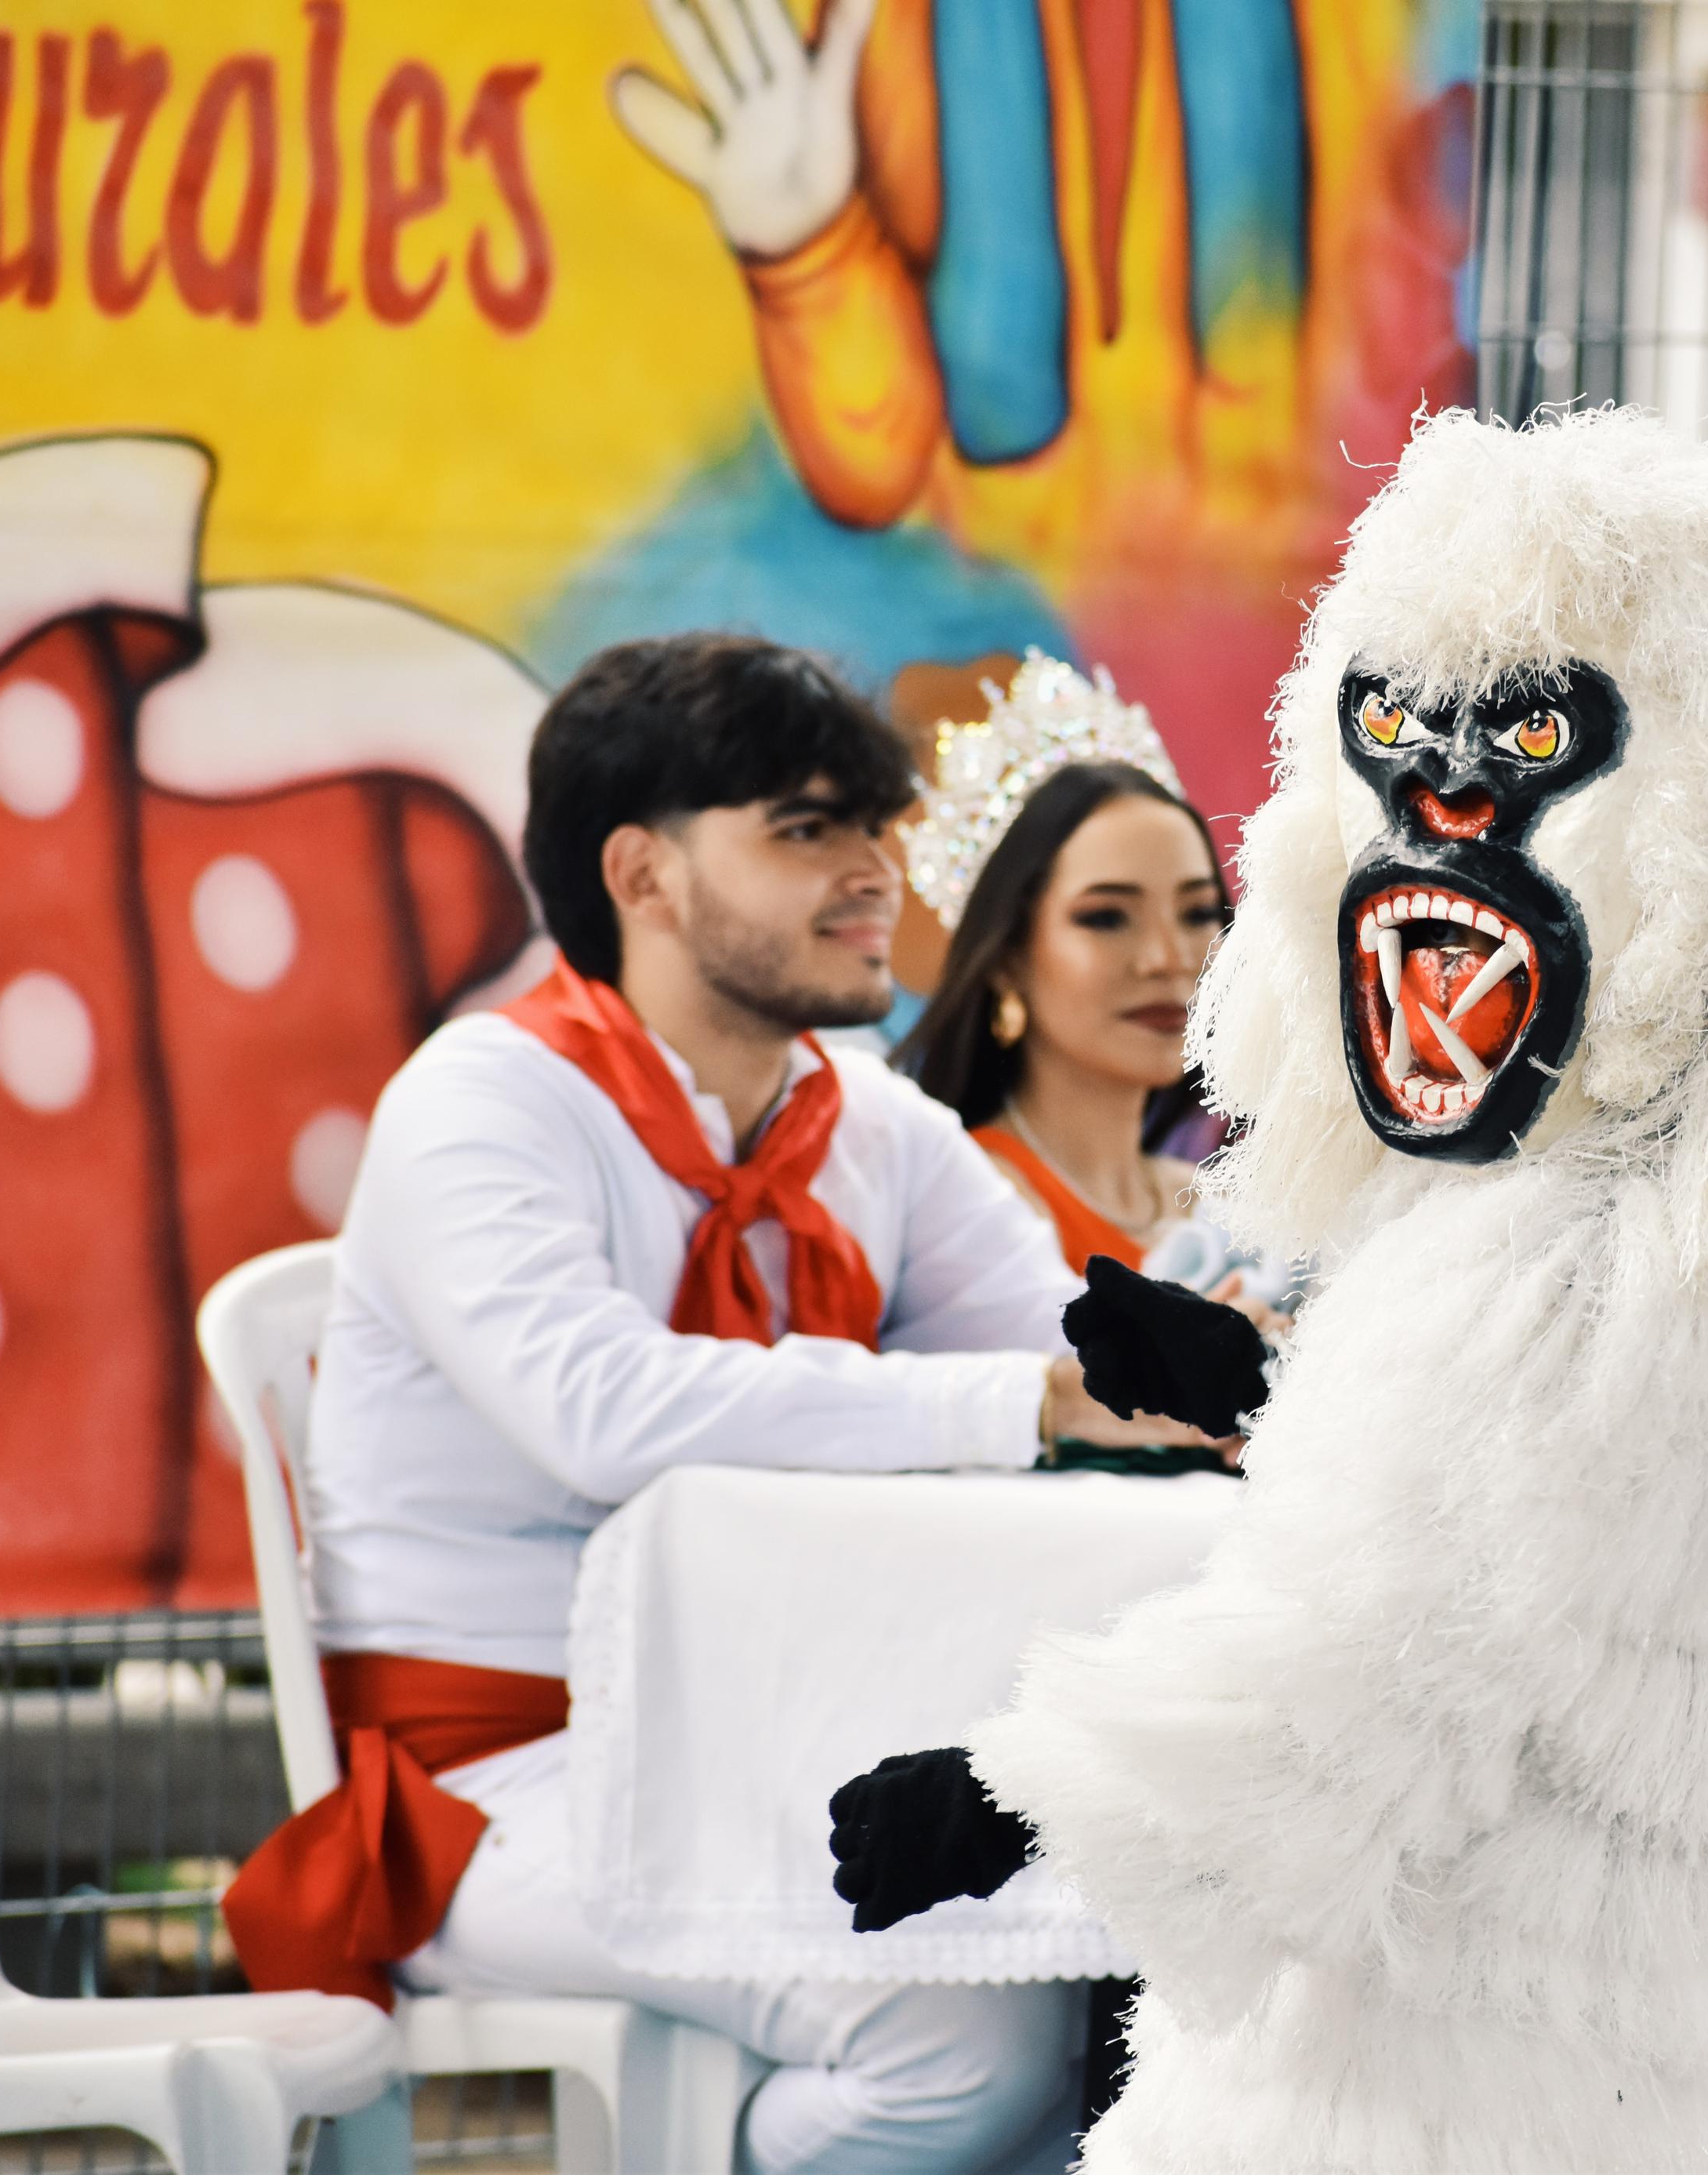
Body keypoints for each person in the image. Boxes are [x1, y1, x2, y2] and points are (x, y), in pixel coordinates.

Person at [222, 634, 1211, 2175]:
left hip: (756, 1746)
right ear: (644, 873)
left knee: (1119, 1962)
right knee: (969, 2035)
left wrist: (1238, 1368)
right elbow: (604, 1408)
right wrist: (1024, 1401)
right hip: (495, 1787)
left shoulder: (864, 1120)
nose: (877, 872)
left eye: (876, 829)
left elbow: (1079, 1346)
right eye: (806, 829)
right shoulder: (480, 1101)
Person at [896, 657, 1285, 1314]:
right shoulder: (971, 1204)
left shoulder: (1226, 1209)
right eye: (1106, 917)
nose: (1167, 958)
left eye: (1196, 913)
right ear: (1006, 959)